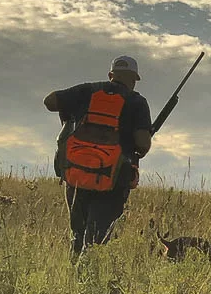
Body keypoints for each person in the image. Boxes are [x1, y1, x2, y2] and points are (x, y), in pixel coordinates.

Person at [44, 55, 152, 256]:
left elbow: (49, 101)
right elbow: (143, 144)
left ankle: (73, 275)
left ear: (111, 75)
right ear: (134, 79)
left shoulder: (87, 90)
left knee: (77, 234)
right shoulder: (137, 102)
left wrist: (70, 119)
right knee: (96, 241)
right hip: (113, 180)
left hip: (76, 175)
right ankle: (89, 279)